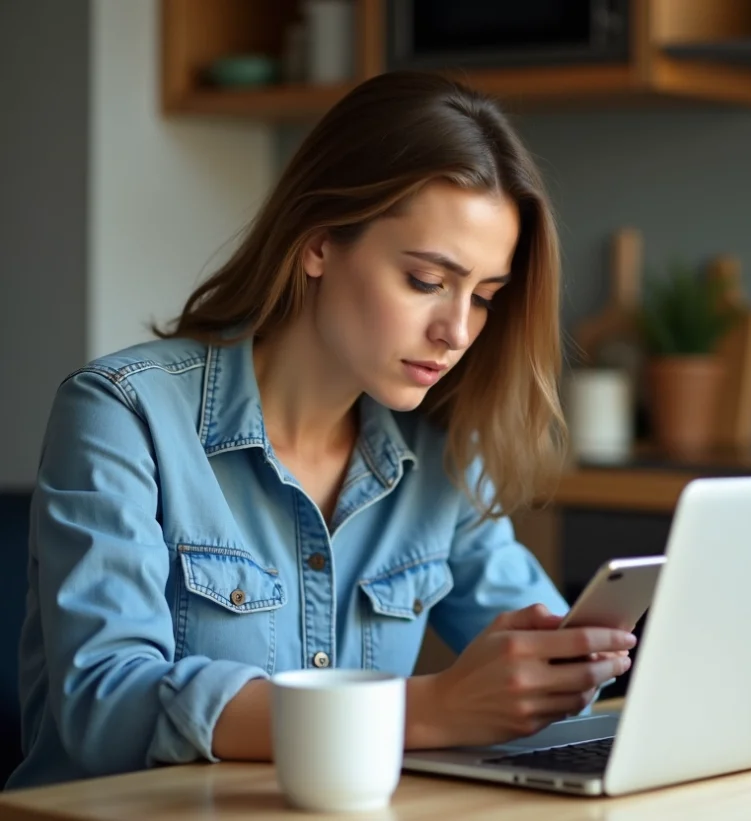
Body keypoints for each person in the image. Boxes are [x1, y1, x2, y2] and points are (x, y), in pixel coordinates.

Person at [6, 71, 636, 791]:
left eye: (485, 296)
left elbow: (549, 648)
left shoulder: (441, 451)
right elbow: (107, 708)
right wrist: (425, 708)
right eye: (428, 281)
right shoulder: (122, 413)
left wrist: (567, 661)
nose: (457, 330)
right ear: (319, 245)